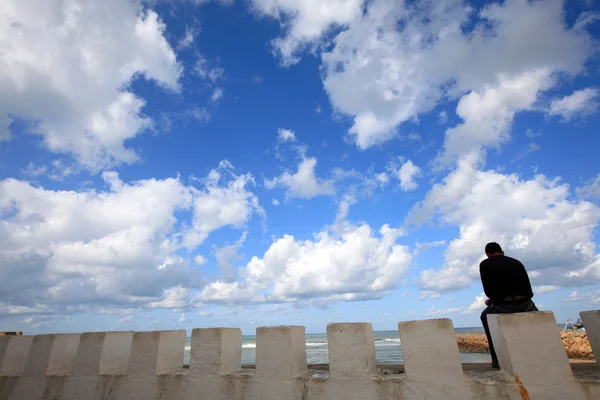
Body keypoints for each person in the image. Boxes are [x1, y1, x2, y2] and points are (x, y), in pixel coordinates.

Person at [479, 242, 538, 369]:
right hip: (525, 304)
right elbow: (528, 289)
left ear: (487, 254)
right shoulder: (516, 262)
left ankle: (496, 360)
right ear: (502, 252)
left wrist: (492, 299)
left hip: (503, 306)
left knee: (485, 317)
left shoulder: (485, 264)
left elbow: (488, 290)